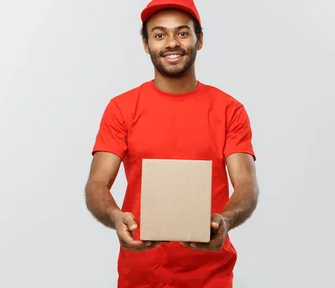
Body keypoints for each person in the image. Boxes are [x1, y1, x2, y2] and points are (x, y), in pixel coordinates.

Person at [84, 0, 260, 287]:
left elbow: (246, 185)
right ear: (145, 43)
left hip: (211, 276)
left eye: (182, 33)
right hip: (140, 275)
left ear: (199, 39)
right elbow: (96, 184)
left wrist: (226, 220)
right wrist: (115, 217)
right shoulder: (122, 108)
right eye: (159, 35)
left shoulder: (229, 110)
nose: (171, 43)